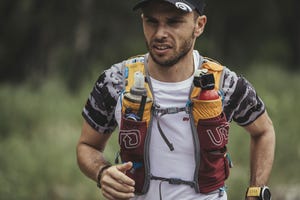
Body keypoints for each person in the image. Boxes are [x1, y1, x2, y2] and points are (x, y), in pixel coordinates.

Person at [76, 0, 275, 199]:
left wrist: (256, 191)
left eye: (173, 22)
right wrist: (102, 172)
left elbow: (264, 131)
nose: (160, 33)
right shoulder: (116, 82)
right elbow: (87, 146)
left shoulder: (224, 84)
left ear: (199, 25)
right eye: (152, 22)